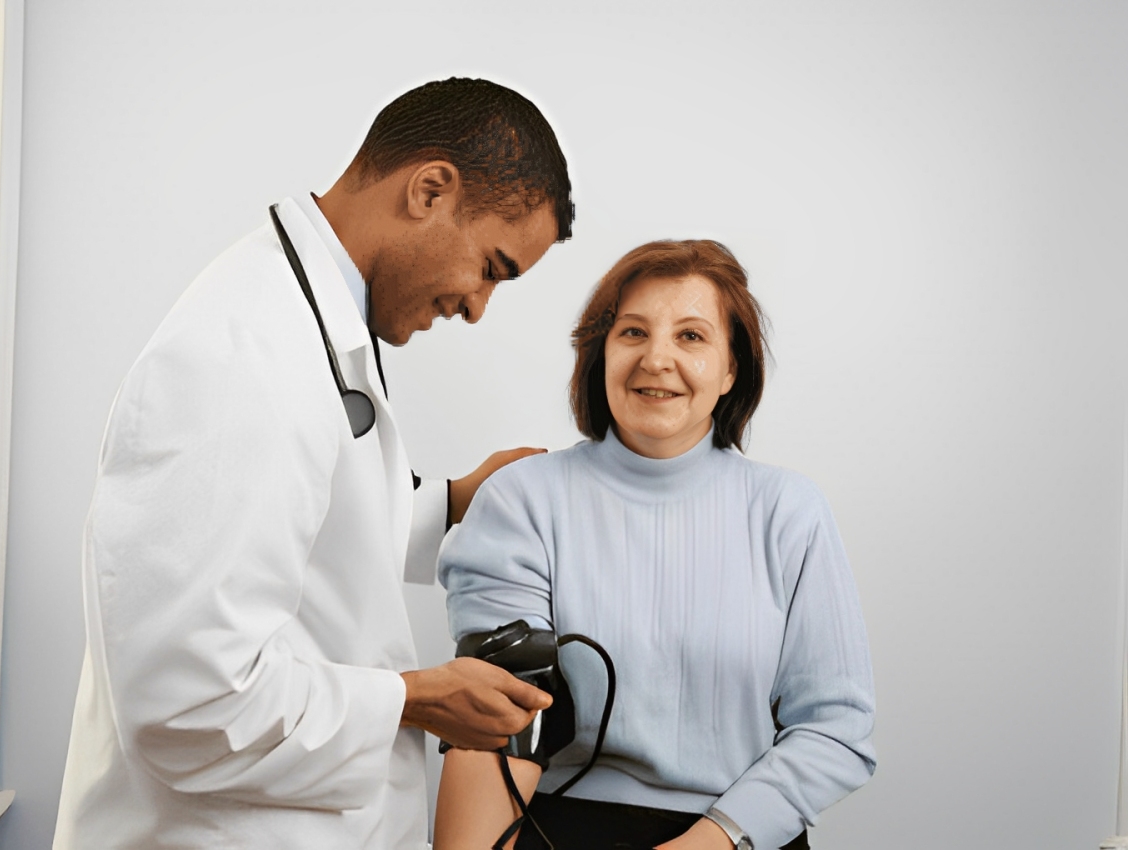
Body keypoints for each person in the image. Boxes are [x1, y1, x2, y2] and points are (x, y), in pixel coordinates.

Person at [53, 78, 576, 849]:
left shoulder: (310, 320)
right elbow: (186, 706)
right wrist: (414, 699)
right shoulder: (242, 358)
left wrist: (457, 501)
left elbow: (301, 529)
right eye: (492, 267)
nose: (476, 306)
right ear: (431, 189)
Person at [434, 240, 876, 850]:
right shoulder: (523, 499)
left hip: (739, 833)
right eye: (633, 332)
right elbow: (500, 719)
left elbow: (836, 728)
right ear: (600, 354)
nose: (657, 359)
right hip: (560, 824)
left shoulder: (789, 512)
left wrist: (712, 839)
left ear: (731, 370)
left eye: (691, 337)